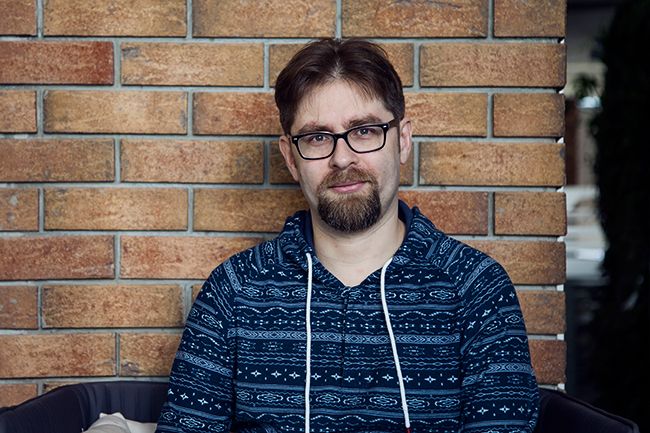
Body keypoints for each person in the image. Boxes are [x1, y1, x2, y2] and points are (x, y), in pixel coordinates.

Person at [155, 38, 539, 433]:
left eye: (365, 131)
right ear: (290, 158)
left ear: (403, 140)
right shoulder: (233, 290)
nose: (342, 158)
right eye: (317, 137)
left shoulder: (476, 288)